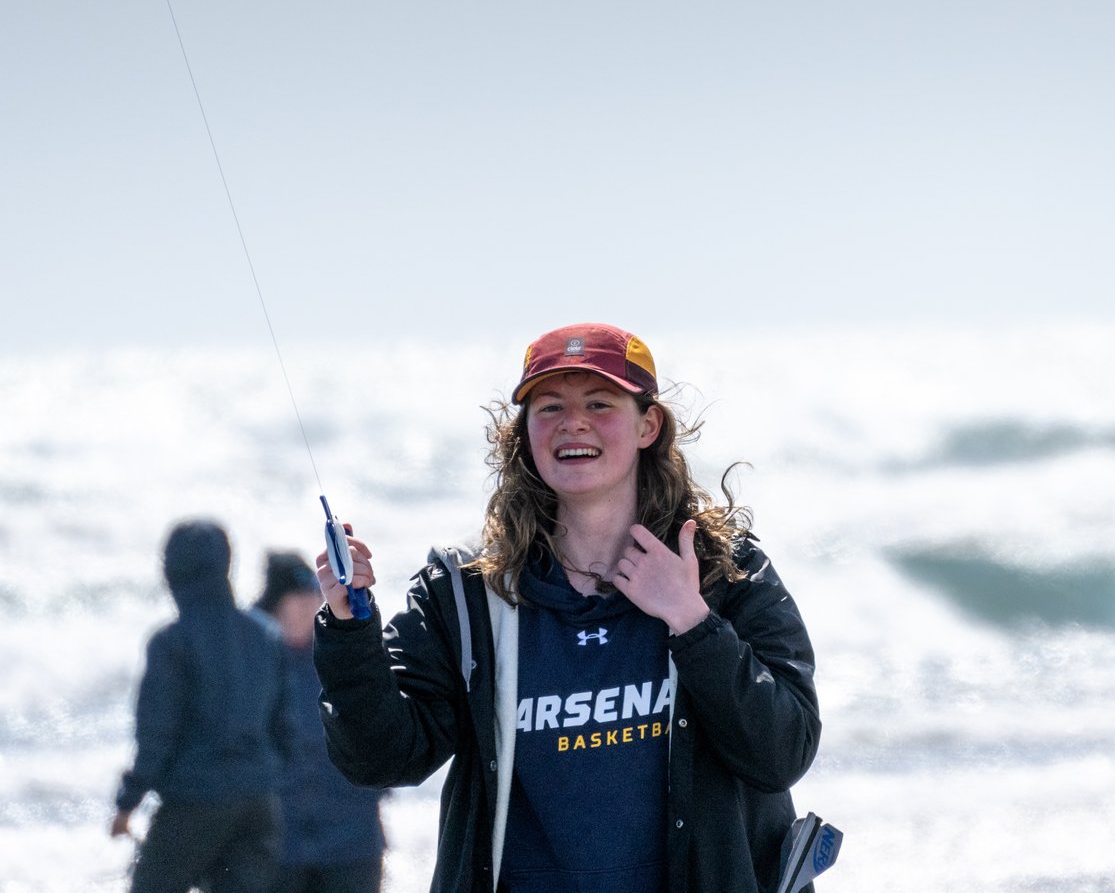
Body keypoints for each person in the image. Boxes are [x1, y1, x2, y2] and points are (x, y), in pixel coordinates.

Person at [312, 323, 820, 893]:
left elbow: (784, 752)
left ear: (648, 425)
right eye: (549, 407)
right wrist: (350, 627)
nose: (572, 423)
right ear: (524, 433)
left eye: (600, 403)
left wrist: (692, 621)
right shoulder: (469, 597)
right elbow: (382, 760)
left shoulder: (727, 573)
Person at [111, 520, 298, 893]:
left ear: (172, 570)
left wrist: (128, 802)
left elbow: (156, 736)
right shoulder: (264, 634)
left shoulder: (171, 643)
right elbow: (286, 727)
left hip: (195, 801)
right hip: (258, 804)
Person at [251, 552, 385, 893]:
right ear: (274, 604)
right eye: (296, 597)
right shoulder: (250, 664)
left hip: (352, 840)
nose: (308, 604)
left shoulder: (343, 651)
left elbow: (383, 726)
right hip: (277, 846)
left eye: (313, 595)